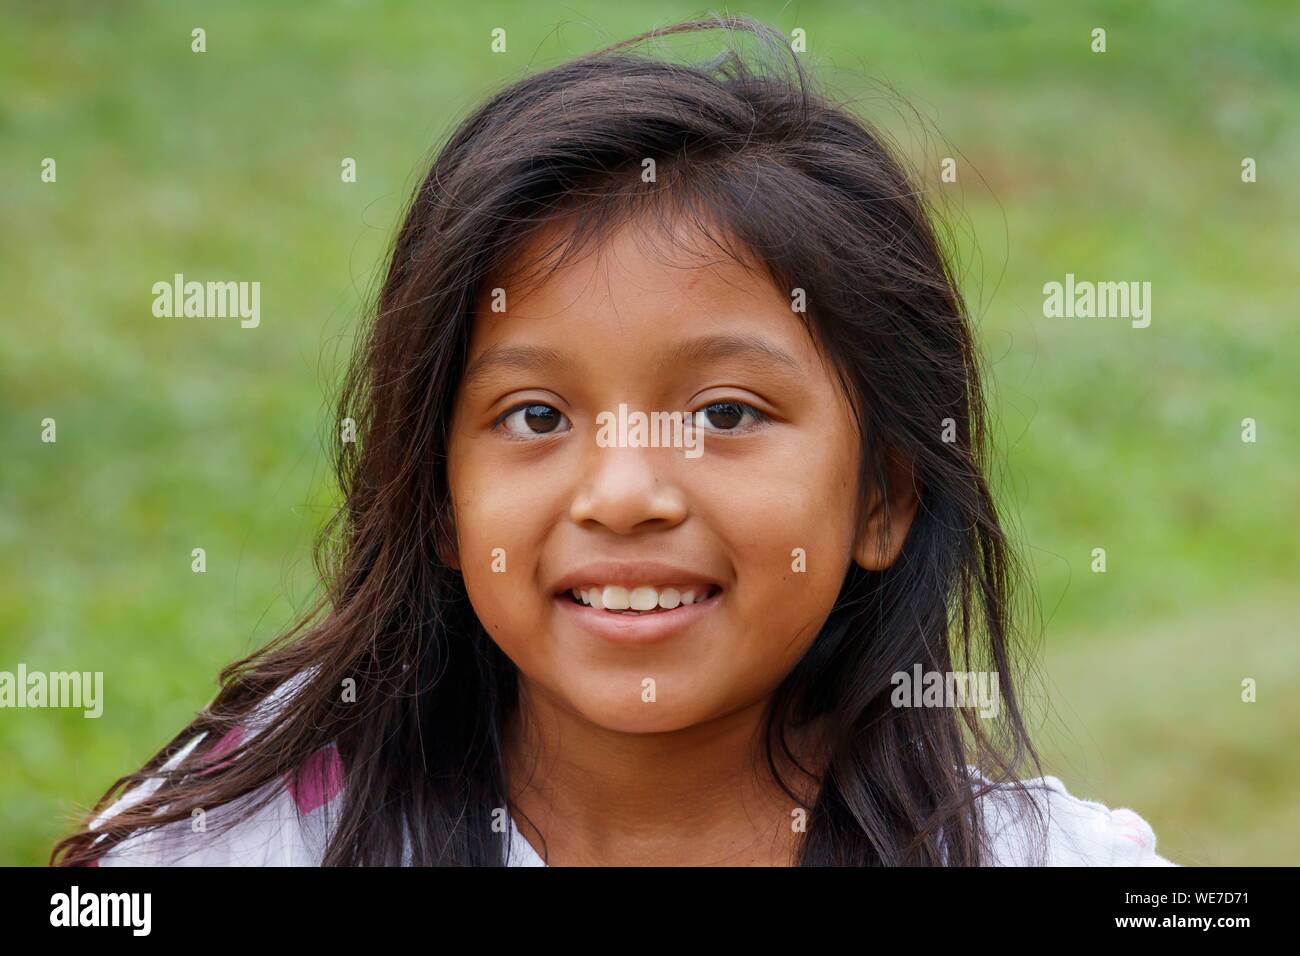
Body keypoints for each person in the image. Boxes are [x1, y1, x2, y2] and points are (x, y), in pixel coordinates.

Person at [53, 16, 1174, 867]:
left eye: (726, 413)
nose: (625, 492)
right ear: (440, 500)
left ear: (882, 496)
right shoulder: (225, 845)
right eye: (535, 417)